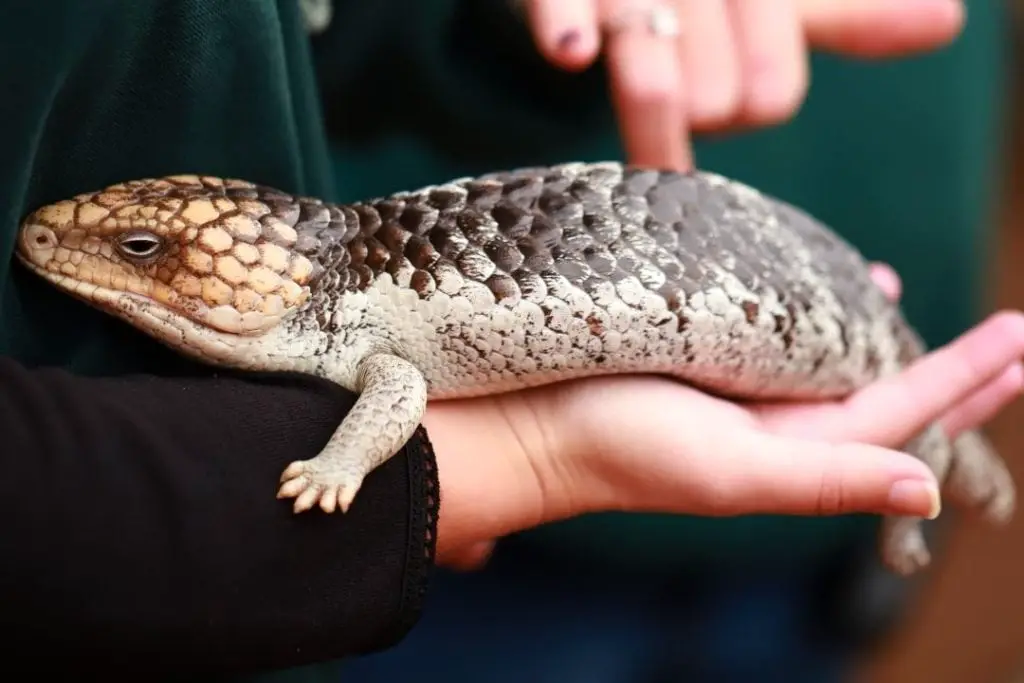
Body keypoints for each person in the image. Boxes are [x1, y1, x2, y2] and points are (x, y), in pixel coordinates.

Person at [0, 0, 1019, 681]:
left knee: (918, 401)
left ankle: (935, 456)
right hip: (488, 604)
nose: (65, 241)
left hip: (796, 448)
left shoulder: (356, 309)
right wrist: (526, 456)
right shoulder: (348, 310)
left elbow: (394, 390)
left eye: (141, 248)